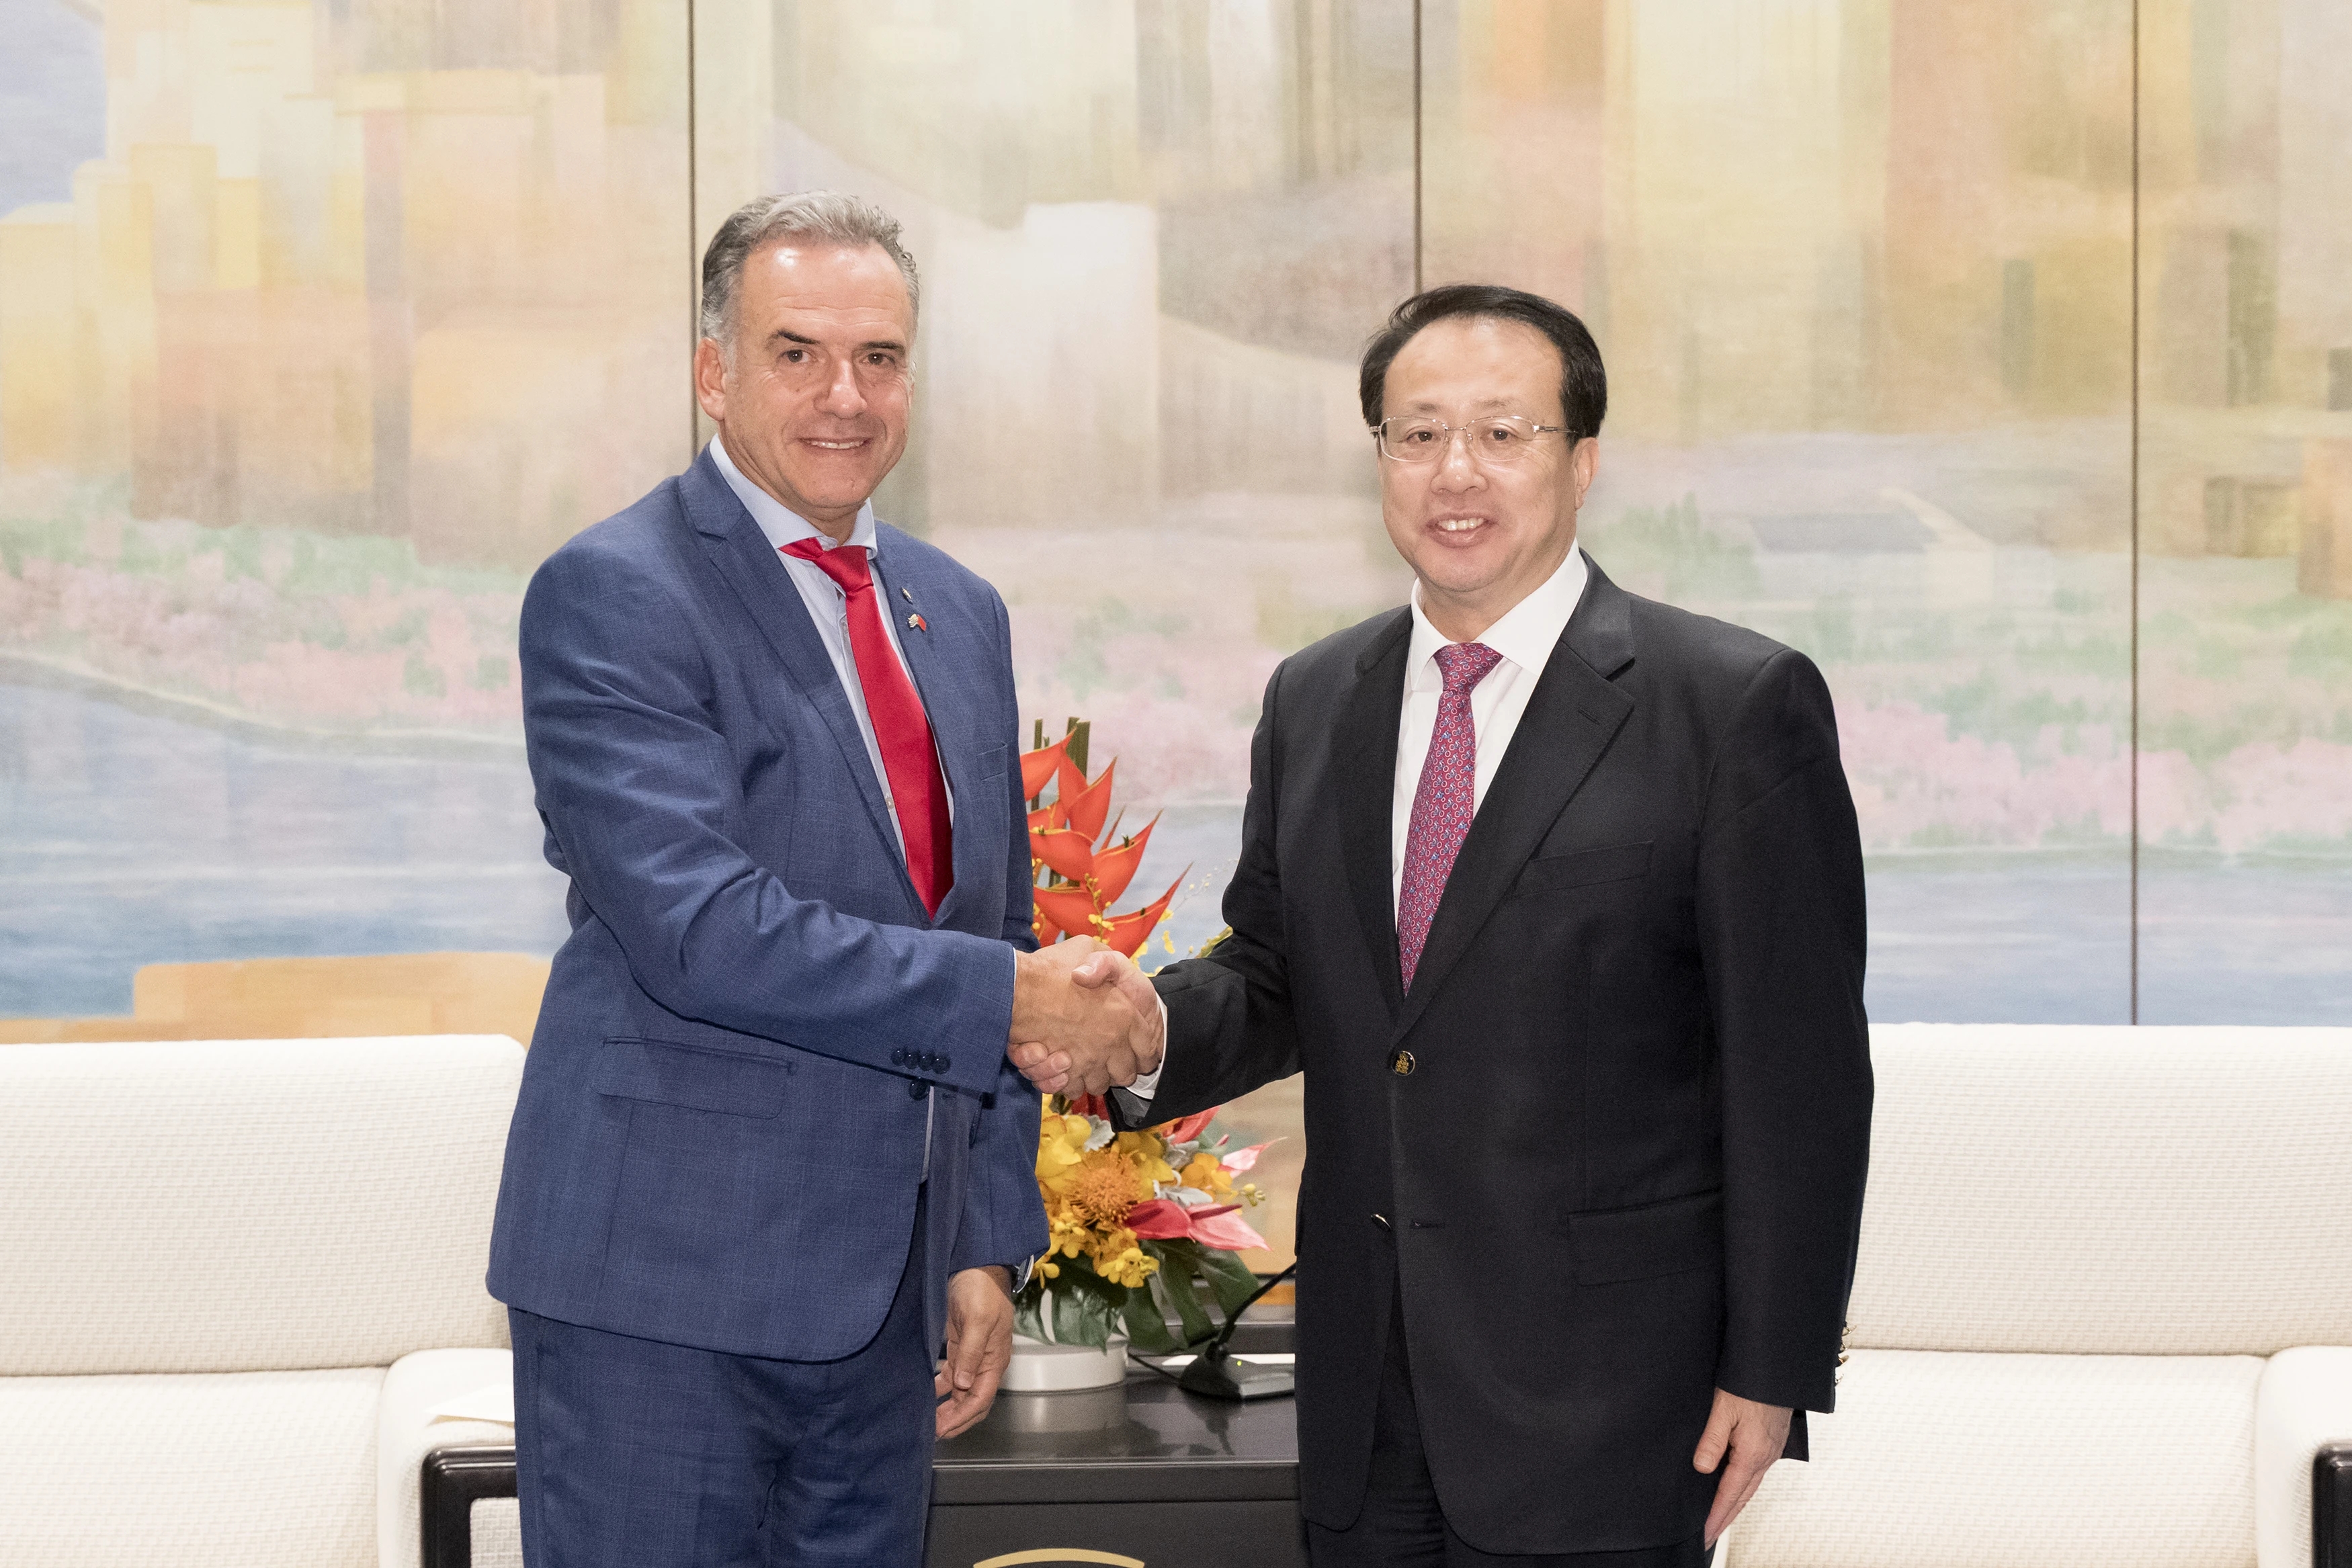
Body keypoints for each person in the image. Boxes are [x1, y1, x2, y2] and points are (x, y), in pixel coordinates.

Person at [1019, 284, 1872, 1566]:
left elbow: (1799, 1073)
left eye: (1502, 432)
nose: (1454, 471)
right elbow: (1278, 970)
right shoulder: (1316, 697)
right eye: (1417, 434)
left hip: (1612, 1396)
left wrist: (1774, 1365)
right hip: (1365, 1383)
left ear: (1583, 462)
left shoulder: (1731, 703)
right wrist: (1139, 1031)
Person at [487, 191, 1162, 1568]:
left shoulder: (955, 610)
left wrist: (980, 1238)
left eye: (880, 357)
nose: (844, 395)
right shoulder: (614, 591)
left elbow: (991, 923)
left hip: (885, 1309)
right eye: (796, 352)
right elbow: (701, 927)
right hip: (662, 1294)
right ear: (712, 371)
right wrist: (1016, 999)